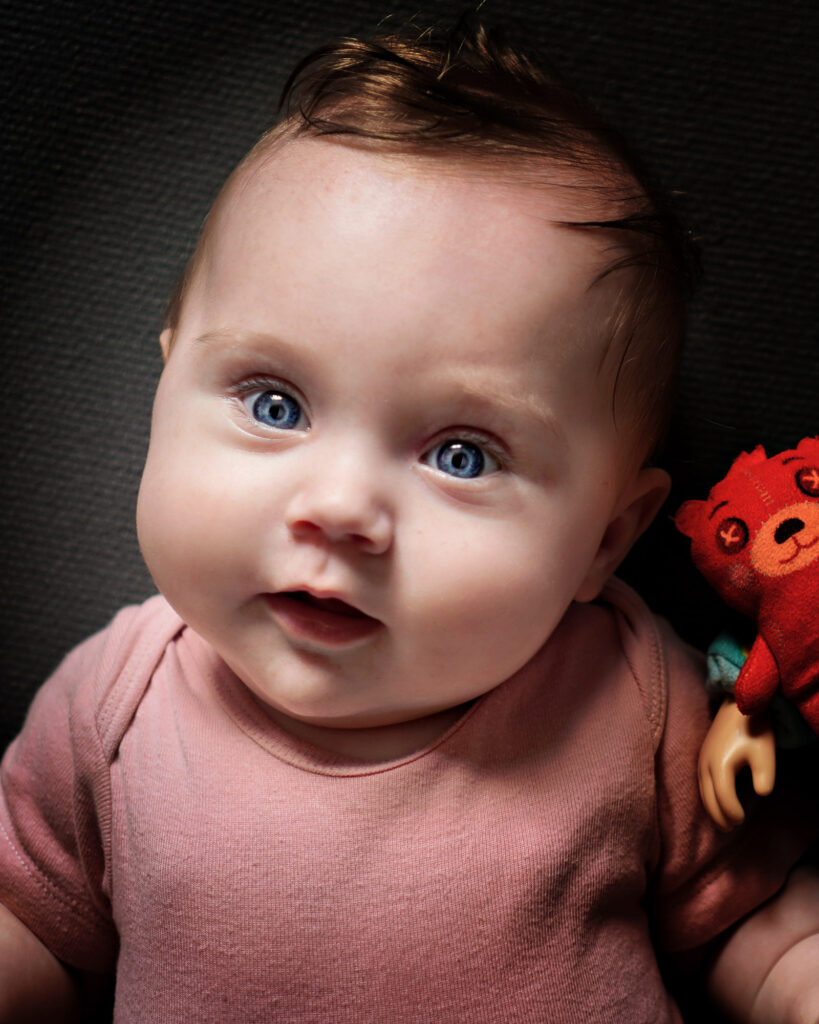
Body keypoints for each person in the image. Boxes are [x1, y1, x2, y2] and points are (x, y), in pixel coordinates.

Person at [1, 19, 817, 1023]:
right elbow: (34, 927)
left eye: (461, 455)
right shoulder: (112, 708)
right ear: (165, 384)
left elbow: (752, 926)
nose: (341, 509)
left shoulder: (636, 703)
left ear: (606, 538)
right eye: (274, 404)